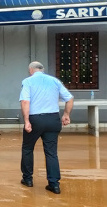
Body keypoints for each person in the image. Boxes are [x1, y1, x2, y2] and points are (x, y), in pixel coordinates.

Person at [19, 61, 74, 194]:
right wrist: (66, 114)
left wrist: (26, 120)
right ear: (42, 70)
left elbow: (25, 101)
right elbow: (70, 98)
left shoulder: (28, 81)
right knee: (51, 152)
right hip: (53, 119)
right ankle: (54, 184)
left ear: (31, 70)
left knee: (27, 148)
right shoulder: (54, 81)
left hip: (36, 119)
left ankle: (28, 179)